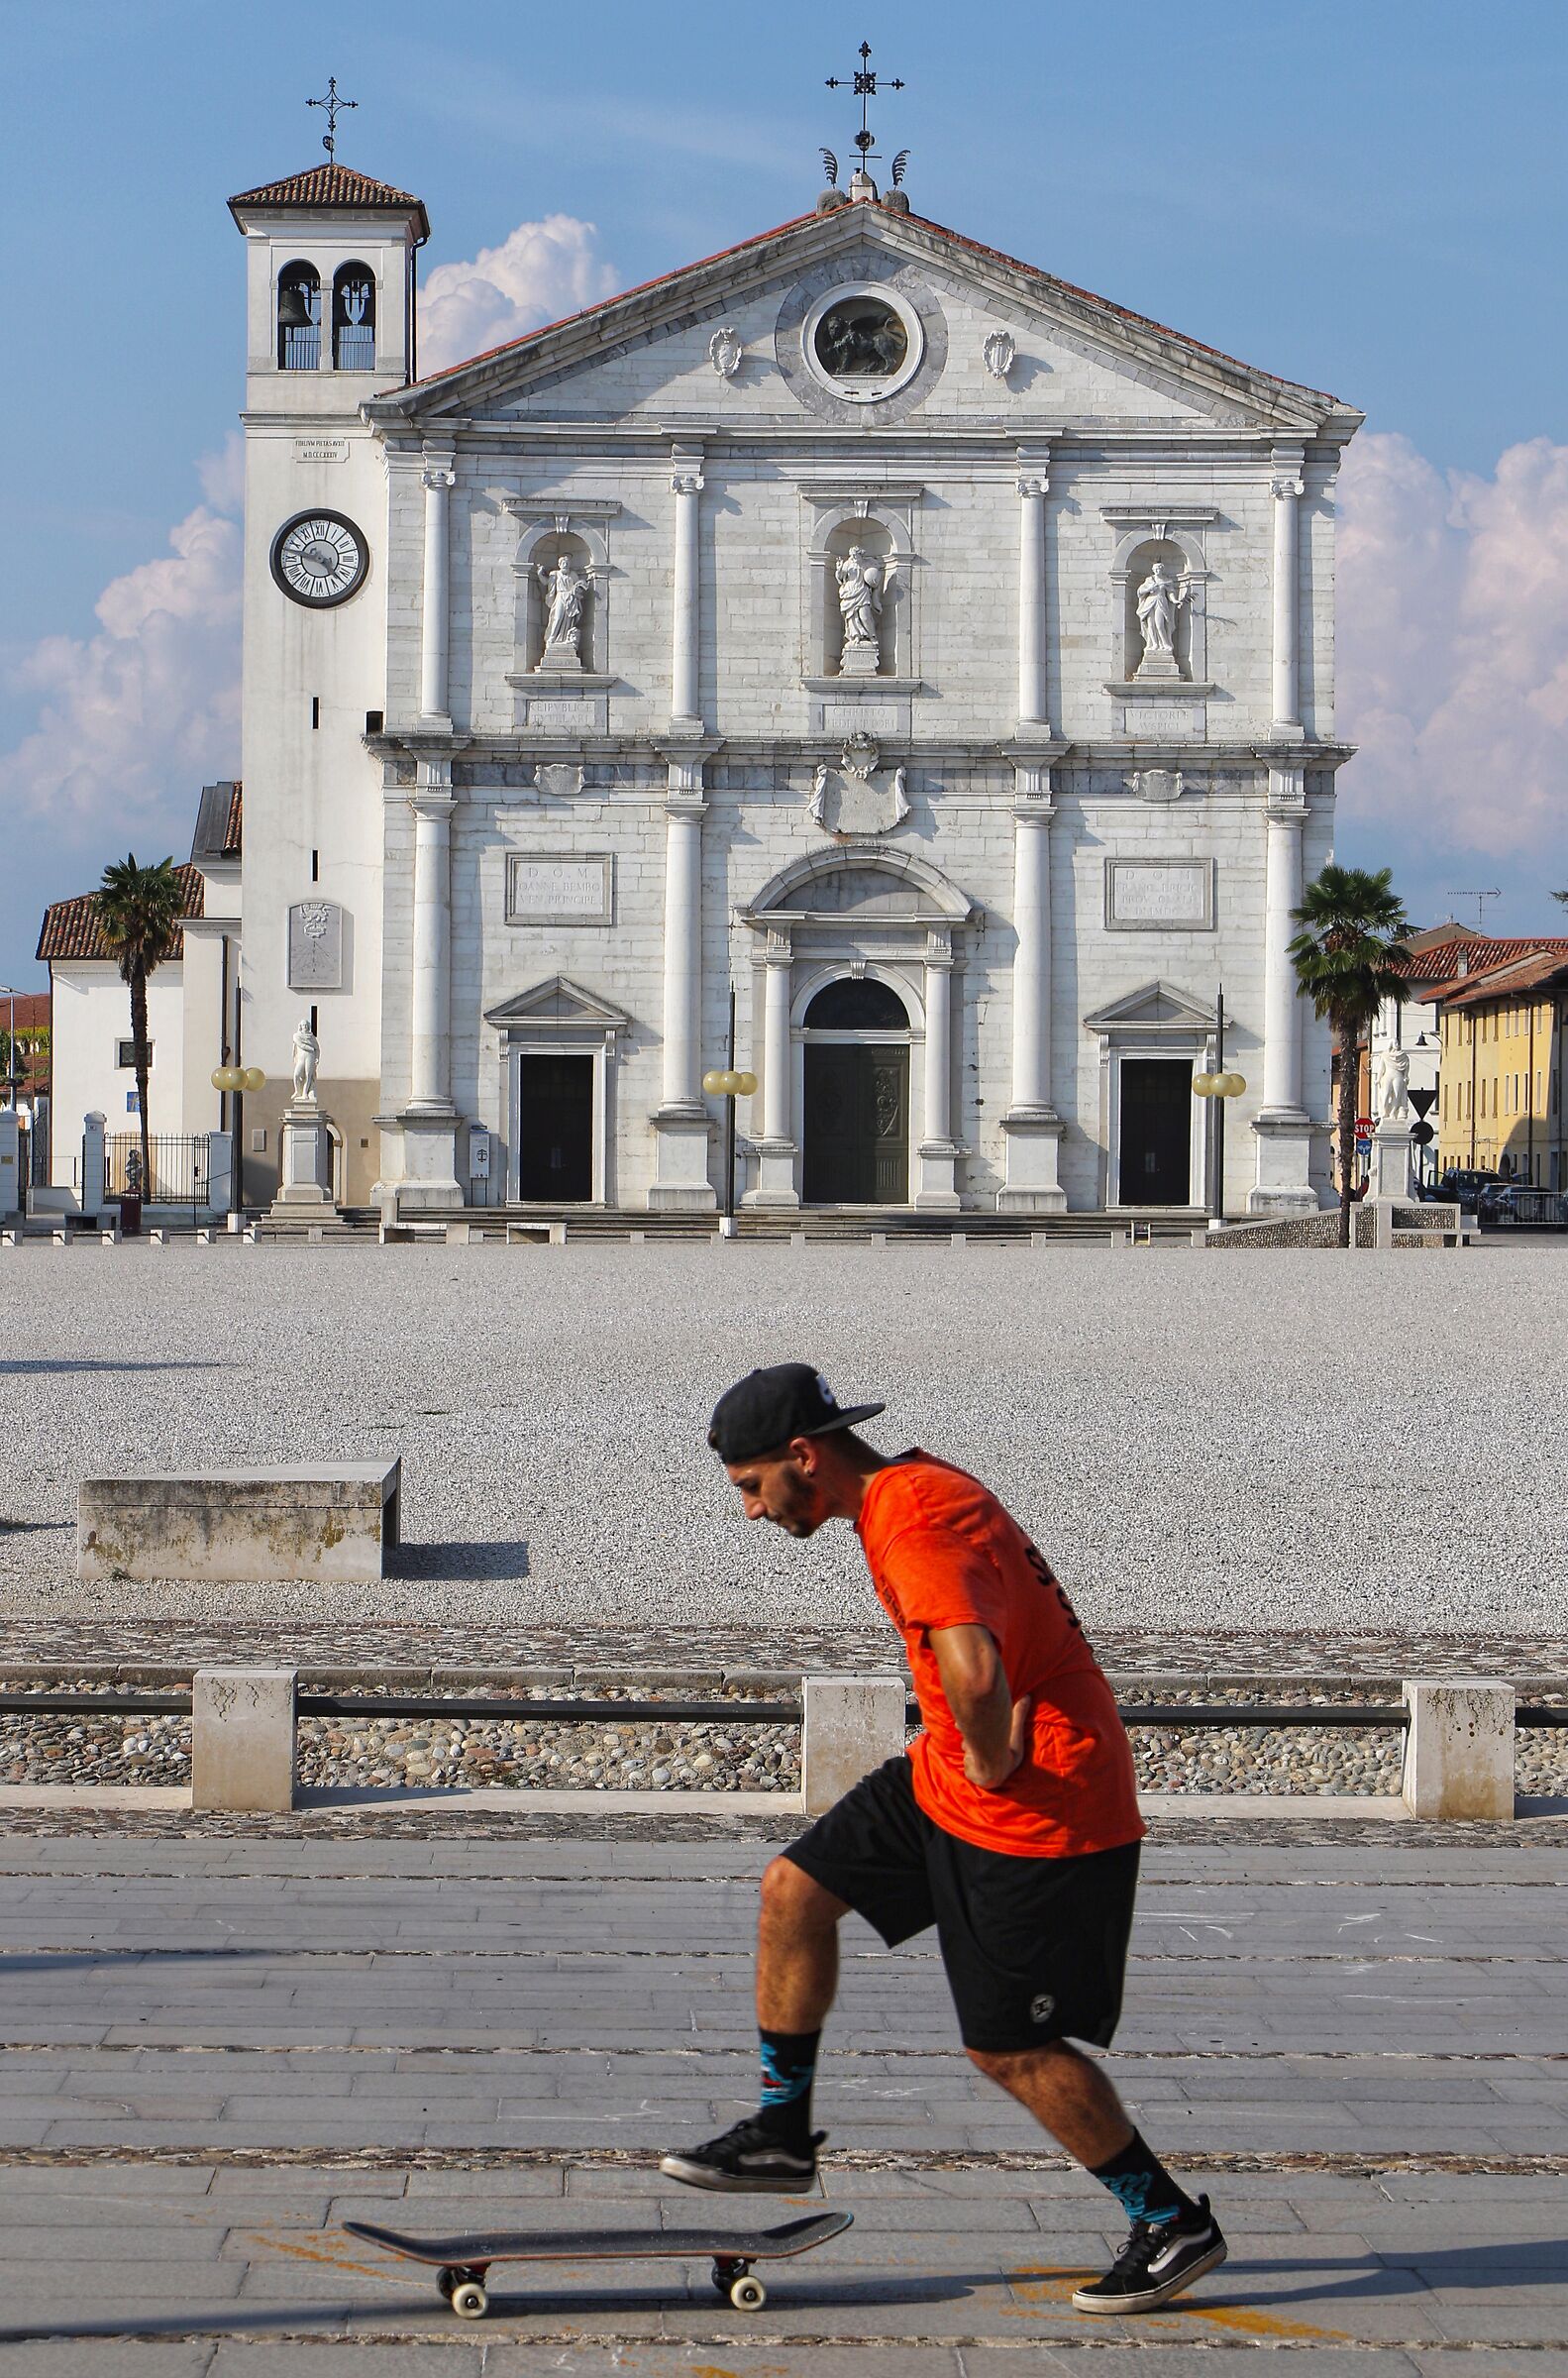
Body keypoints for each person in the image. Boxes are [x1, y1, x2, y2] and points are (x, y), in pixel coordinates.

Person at [661, 1362, 1227, 2318]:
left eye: (752, 1487)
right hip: (942, 1782)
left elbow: (971, 1665)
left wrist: (992, 1756)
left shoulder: (915, 1517)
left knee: (1011, 2047)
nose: (751, 1514)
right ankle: (779, 2131)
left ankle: (1168, 2221)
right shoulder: (905, 1494)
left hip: (1040, 1806)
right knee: (793, 1893)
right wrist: (964, 1753)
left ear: (804, 1457)